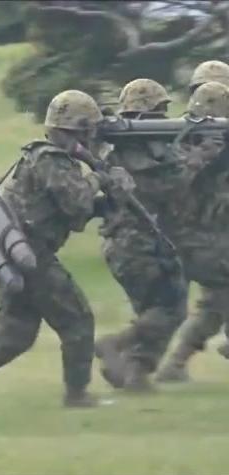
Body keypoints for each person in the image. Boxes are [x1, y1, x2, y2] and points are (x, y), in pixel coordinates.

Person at [0, 90, 135, 410]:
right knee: (77, 319)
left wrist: (111, 200)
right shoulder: (51, 159)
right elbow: (77, 200)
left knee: (17, 332)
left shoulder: (46, 159)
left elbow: (73, 213)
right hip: (31, 252)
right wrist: (100, 178)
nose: (93, 139)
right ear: (78, 131)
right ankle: (77, 394)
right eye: (89, 131)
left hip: (18, 251)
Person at [92, 79, 189, 393]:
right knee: (170, 309)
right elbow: (168, 189)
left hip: (128, 245)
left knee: (153, 311)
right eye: (161, 110)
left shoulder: (124, 153)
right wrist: (197, 159)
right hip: (138, 245)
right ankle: (115, 344)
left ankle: (135, 375)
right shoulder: (137, 156)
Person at [155, 80, 229, 382]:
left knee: (213, 305)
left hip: (211, 235)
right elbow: (181, 189)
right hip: (199, 237)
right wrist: (202, 157)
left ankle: (174, 365)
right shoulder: (188, 146)